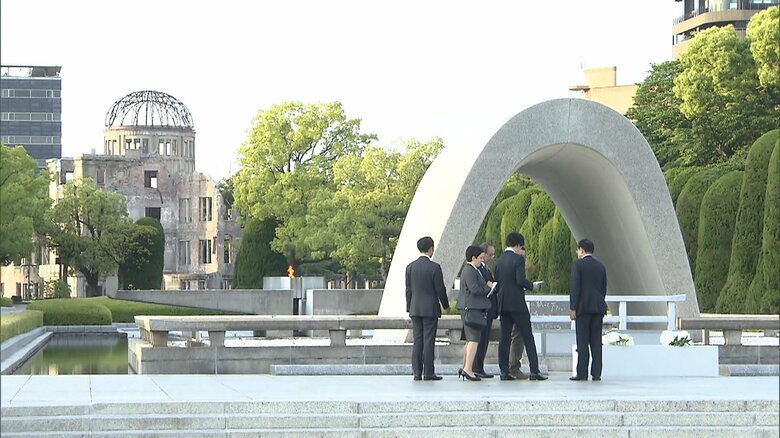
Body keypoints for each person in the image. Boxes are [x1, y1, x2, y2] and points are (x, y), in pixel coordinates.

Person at [495, 232, 547, 381]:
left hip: (503, 304)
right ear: (518, 245)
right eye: (521, 246)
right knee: (528, 337)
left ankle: (504, 371)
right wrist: (532, 286)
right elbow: (520, 280)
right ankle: (534, 371)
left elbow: (498, 282)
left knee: (504, 339)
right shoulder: (518, 259)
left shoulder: (499, 261)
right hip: (517, 304)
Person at [406, 236, 450, 381]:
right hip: (430, 308)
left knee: (417, 340)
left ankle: (417, 372)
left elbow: (408, 290)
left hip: (415, 308)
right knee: (429, 340)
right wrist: (446, 305)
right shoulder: (434, 267)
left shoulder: (410, 267)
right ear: (431, 249)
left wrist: (409, 307)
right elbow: (440, 289)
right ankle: (429, 372)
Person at [569, 238, 608, 382]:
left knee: (582, 341)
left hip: (582, 308)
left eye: (578, 250)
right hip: (598, 307)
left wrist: (573, 307)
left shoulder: (578, 265)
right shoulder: (600, 266)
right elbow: (603, 288)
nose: (577, 252)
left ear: (582, 250)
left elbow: (575, 287)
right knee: (596, 341)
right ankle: (596, 373)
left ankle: (582, 373)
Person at [456, 245, 493, 381]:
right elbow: (474, 289)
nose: (482, 261)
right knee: (473, 339)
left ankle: (466, 366)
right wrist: (488, 287)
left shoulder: (472, 269)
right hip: (470, 308)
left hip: (470, 307)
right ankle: (468, 369)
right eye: (480, 258)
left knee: (471, 339)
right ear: (473, 258)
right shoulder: (470, 270)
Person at [472, 242, 498, 378]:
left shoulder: (485, 268)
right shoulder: (477, 269)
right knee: (480, 340)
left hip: (488, 308)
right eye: (490, 254)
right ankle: (476, 367)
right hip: (481, 309)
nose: (491, 257)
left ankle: (479, 367)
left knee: (485, 339)